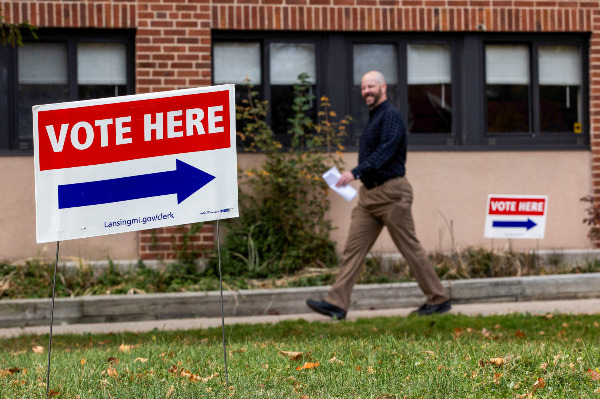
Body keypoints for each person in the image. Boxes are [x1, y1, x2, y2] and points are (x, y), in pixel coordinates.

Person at [306, 70, 451, 319]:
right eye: (363, 88)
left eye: (371, 86)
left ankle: (438, 299)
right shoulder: (373, 118)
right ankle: (337, 304)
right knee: (353, 249)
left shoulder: (391, 116)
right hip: (369, 197)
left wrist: (354, 173)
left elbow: (385, 152)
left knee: (410, 248)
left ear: (383, 88)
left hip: (392, 193)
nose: (367, 91)